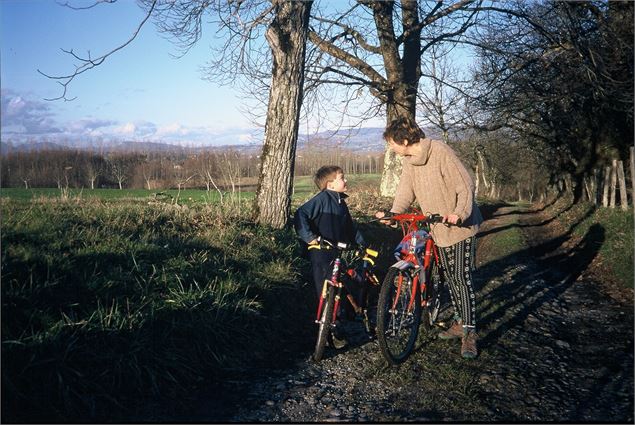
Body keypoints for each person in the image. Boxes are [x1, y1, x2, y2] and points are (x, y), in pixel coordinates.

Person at [375, 117, 483, 359]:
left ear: (404, 140)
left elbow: (465, 185)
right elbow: (405, 191)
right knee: (449, 277)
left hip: (460, 227)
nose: (391, 147)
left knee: (460, 279)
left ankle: (469, 333)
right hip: (437, 228)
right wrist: (394, 214)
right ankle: (459, 320)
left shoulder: (440, 152)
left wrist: (460, 213)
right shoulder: (409, 161)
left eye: (392, 143)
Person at [294, 165, 367, 349]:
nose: (346, 181)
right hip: (320, 252)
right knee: (324, 290)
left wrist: (361, 244)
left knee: (337, 288)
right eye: (342, 178)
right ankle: (327, 330)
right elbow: (300, 214)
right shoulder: (322, 199)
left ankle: (337, 325)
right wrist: (310, 237)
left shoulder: (341, 203)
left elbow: (350, 228)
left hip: (336, 252)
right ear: (330, 184)